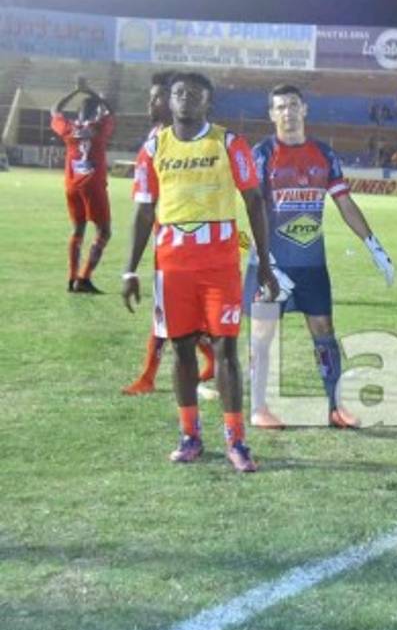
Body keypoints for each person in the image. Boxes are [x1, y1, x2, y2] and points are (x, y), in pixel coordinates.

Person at [121, 72, 278, 472]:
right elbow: (143, 210)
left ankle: (236, 441)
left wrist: (264, 262)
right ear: (168, 101)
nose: (185, 99)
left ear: (209, 102)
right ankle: (190, 436)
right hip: (172, 266)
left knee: (225, 350)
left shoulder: (229, 143)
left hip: (220, 265)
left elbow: (254, 200)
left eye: (195, 94)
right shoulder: (154, 146)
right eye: (178, 93)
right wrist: (129, 270)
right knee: (180, 349)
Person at [245, 84, 395, 430]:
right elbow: (253, 210)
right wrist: (266, 262)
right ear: (271, 115)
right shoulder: (262, 153)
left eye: (293, 105)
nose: (287, 112)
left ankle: (335, 407)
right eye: (280, 107)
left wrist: (373, 245)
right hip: (269, 267)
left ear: (305, 109)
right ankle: (257, 407)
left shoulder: (324, 155)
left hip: (311, 265)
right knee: (263, 334)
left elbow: (344, 202)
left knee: (323, 330)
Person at [122, 72, 217, 397]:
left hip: (201, 243)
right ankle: (156, 374)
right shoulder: (155, 140)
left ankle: (156, 375)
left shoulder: (203, 142)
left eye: (157, 98)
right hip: (169, 242)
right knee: (173, 315)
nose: (151, 104)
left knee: (186, 318)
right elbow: (146, 204)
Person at [50, 79, 115, 294]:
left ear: (78, 113)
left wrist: (76, 91)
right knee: (104, 232)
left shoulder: (68, 128)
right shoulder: (99, 127)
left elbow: (55, 110)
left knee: (78, 229)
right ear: (96, 112)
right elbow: (110, 111)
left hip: (72, 185)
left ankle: (71, 278)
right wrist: (93, 93)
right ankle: (84, 278)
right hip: (93, 185)